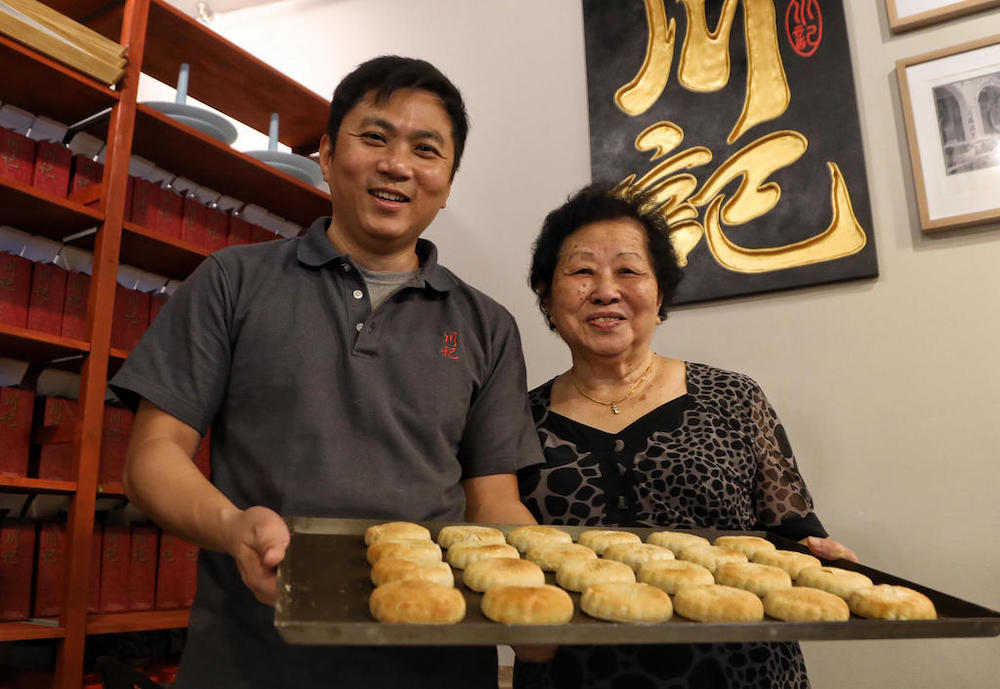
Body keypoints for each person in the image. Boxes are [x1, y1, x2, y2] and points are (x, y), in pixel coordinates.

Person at [110, 55, 541, 689]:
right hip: (253, 656)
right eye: (375, 137)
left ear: (448, 184)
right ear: (328, 155)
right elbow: (152, 457)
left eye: (426, 150)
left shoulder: (487, 324)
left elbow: (493, 499)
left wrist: (538, 583)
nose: (397, 165)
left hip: (434, 660)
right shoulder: (233, 281)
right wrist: (233, 527)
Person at [513, 182, 857, 689]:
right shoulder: (517, 418)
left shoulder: (734, 398)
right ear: (547, 294)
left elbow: (792, 533)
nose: (605, 290)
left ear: (660, 293)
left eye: (629, 271)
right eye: (581, 271)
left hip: (740, 672)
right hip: (571, 674)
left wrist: (823, 557)